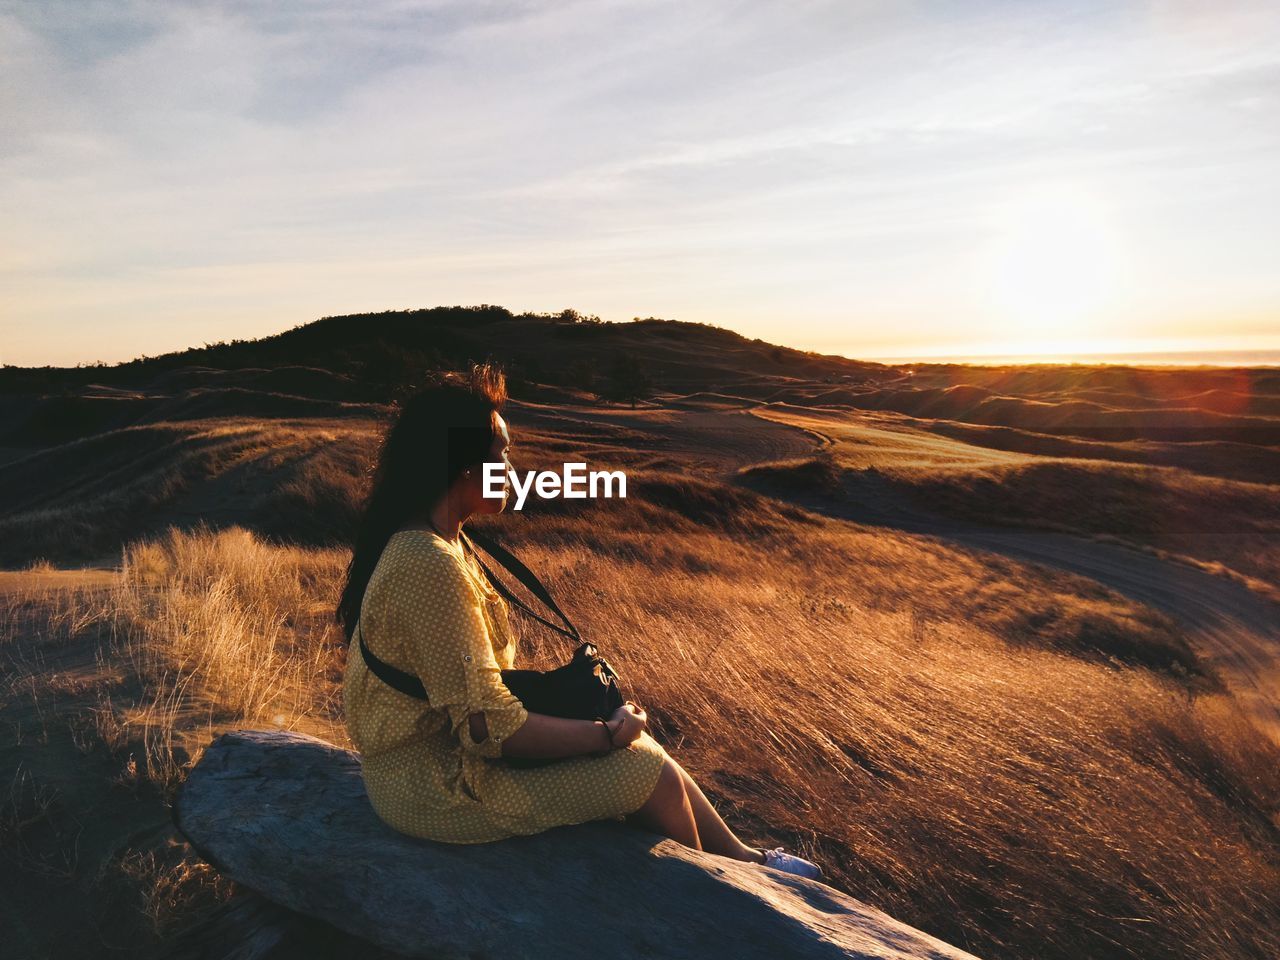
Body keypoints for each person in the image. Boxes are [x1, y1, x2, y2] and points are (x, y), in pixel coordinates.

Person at [337, 361, 822, 879]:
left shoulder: (448, 542)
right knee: (642, 769)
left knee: (646, 751)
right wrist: (605, 735)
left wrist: (608, 732)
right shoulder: (427, 563)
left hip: (440, 761)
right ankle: (726, 899)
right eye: (503, 452)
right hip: (433, 789)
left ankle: (749, 862)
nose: (513, 466)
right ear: (463, 466)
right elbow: (485, 727)